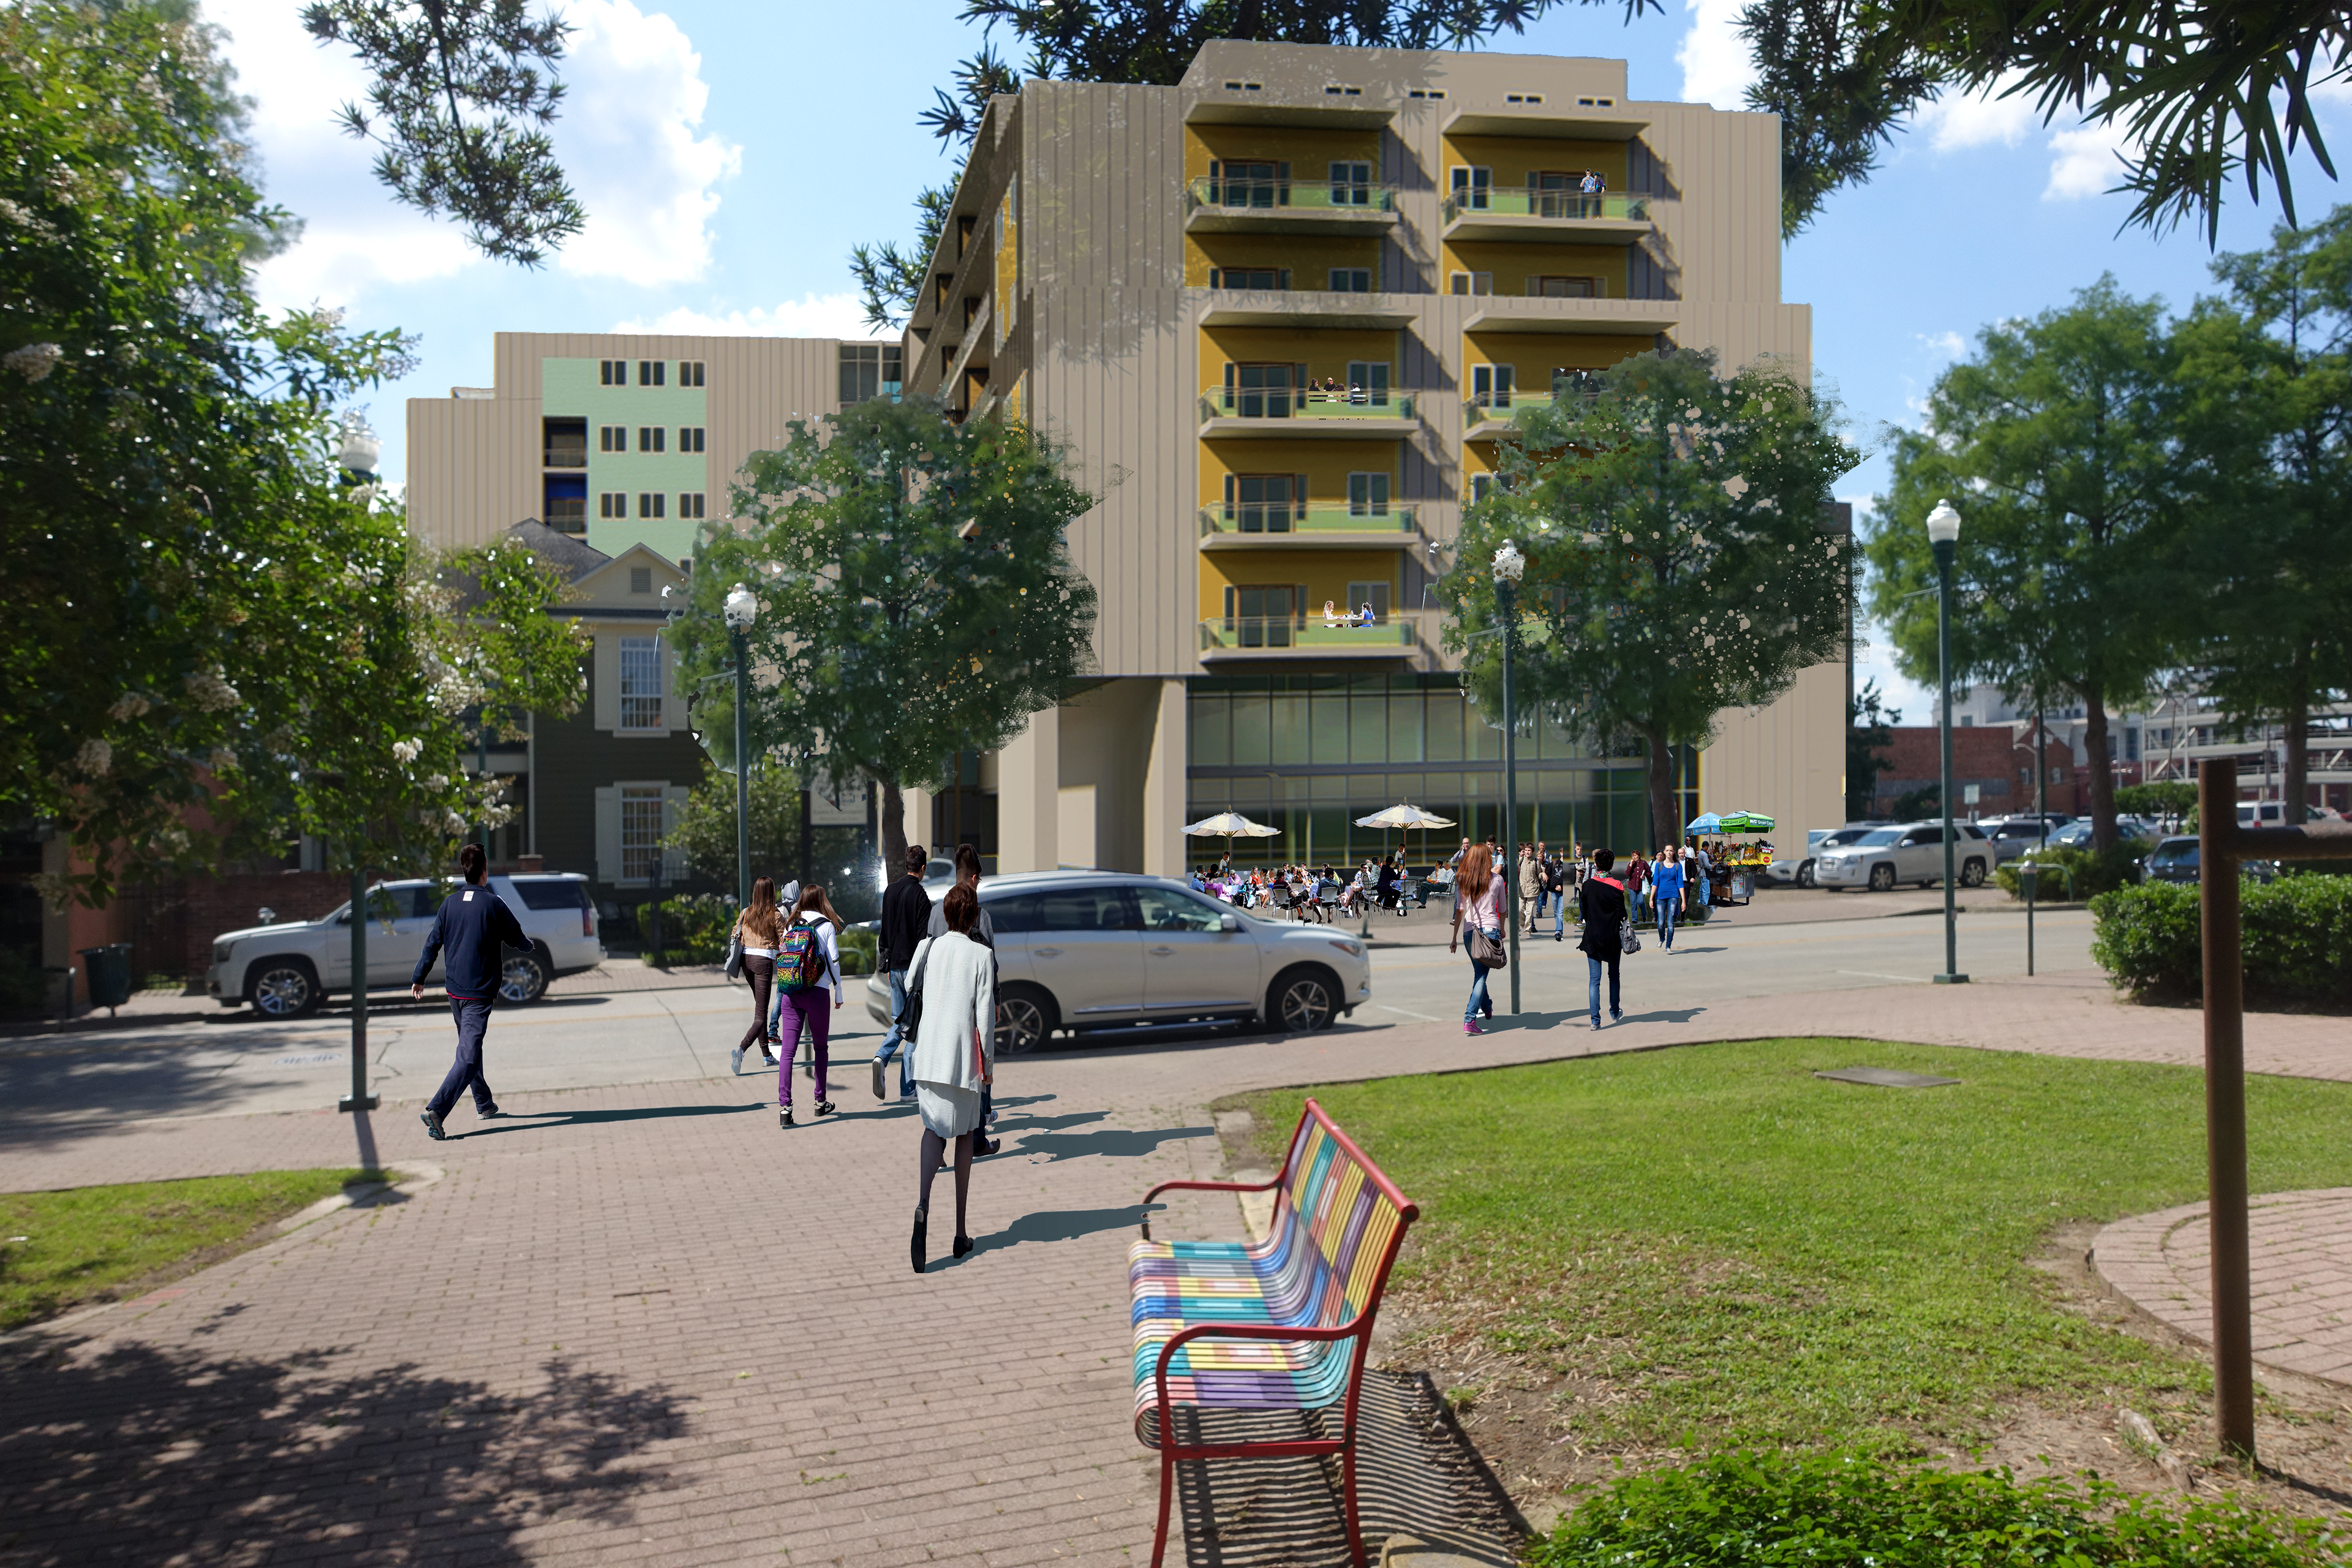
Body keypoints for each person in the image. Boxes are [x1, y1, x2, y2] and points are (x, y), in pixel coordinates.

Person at [908, 883, 995, 1274]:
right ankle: (960, 1230)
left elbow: (911, 986)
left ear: (945, 915)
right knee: (963, 1135)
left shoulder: (928, 948)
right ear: (974, 916)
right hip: (963, 1060)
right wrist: (988, 1066)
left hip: (928, 1055)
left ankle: (923, 1201)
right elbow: (985, 1017)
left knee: (932, 1130)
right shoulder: (981, 955)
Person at [413, 843, 529, 1139]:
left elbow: (432, 943)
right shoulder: (494, 903)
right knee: (466, 1056)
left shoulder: (449, 904)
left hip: (455, 992)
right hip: (478, 993)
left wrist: (420, 977)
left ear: (464, 870)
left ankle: (484, 1104)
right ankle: (437, 1111)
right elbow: (515, 936)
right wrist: (529, 946)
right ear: (484, 870)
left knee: (469, 1047)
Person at [927, 843, 1000, 1155]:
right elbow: (990, 964)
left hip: (936, 1009)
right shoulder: (980, 916)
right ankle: (977, 1139)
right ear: (974, 878)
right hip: (969, 1009)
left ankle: (938, 1145)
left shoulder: (934, 912)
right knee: (977, 1072)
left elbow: (928, 954)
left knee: (941, 1077)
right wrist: (996, 1001)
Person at [772, 884, 845, 1127]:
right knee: (820, 1048)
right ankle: (820, 1102)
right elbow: (834, 961)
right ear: (821, 900)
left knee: (788, 1053)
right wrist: (839, 992)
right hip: (818, 992)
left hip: (791, 993)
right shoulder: (826, 925)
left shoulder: (793, 923)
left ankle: (785, 1108)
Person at [873, 845, 933, 1101]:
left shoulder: (890, 891)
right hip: (912, 967)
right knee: (913, 1027)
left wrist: (886, 959)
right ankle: (907, 1087)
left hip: (893, 965)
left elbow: (884, 930)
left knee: (900, 1020)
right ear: (922, 868)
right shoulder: (920, 896)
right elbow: (924, 938)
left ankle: (881, 1058)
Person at [729, 876, 785, 1076]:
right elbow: (785, 941)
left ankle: (767, 1055)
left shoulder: (746, 912)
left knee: (758, 1010)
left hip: (746, 962)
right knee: (761, 1016)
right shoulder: (775, 915)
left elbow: (735, 934)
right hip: (763, 964)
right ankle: (741, 1050)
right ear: (771, 893)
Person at [1449, 843, 1502, 1035]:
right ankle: (1470, 1019)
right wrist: (1502, 930)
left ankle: (1486, 1005)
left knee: (1480, 973)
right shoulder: (1497, 879)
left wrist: (1455, 937)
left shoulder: (1463, 879)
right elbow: (1502, 909)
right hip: (1489, 932)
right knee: (1480, 976)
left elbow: (1459, 910)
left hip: (1469, 932)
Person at [1577, 849, 1628, 1030]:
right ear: (1612, 865)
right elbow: (1622, 913)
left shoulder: (1588, 885)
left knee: (1594, 980)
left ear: (1596, 864)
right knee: (1614, 976)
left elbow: (1584, 912)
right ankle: (1614, 1011)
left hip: (1592, 936)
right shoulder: (1617, 886)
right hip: (1612, 937)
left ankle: (1595, 1021)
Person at [1650, 844, 1684, 953]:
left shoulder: (1678, 866)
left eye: (1671, 851)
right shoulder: (1659, 866)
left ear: (1674, 852)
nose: (1669, 852)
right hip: (1660, 897)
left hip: (1674, 896)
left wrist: (1684, 900)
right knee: (1660, 923)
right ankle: (1662, 939)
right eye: (1667, 850)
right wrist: (1651, 898)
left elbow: (1680, 883)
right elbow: (1655, 882)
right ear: (1664, 852)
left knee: (1670, 922)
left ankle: (1668, 946)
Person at [1515, 843, 1542, 938]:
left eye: (1529, 851)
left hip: (1532, 890)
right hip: (1522, 890)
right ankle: (1523, 925)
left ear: (1533, 852)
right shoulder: (1521, 861)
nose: (1527, 852)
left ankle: (1527, 931)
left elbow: (1539, 873)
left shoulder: (1536, 862)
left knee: (1530, 912)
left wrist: (1542, 875)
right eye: (1526, 850)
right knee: (1520, 910)